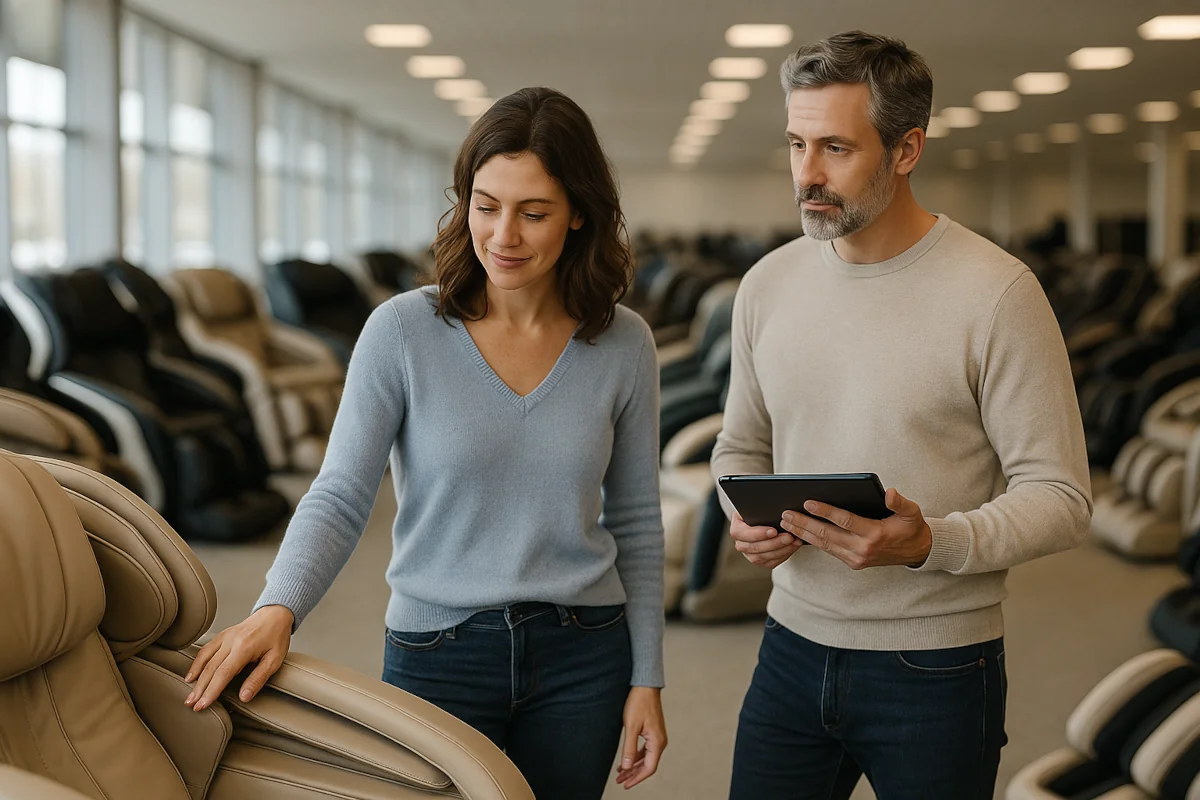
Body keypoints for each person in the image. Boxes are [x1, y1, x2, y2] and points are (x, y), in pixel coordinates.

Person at [182, 87, 668, 800]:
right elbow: (342, 493)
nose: (504, 234)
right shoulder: (402, 332)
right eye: (486, 204)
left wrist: (647, 676)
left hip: (584, 651)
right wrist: (275, 607)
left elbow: (635, 519)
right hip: (439, 650)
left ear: (580, 216)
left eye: (534, 213)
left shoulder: (625, 343)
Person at [711, 31, 1092, 800]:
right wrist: (740, 512)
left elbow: (1063, 497)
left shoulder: (998, 294)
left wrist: (933, 542)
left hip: (938, 667)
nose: (806, 175)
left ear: (906, 149)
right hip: (791, 644)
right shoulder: (767, 285)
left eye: (835, 149)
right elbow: (739, 445)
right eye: (795, 144)